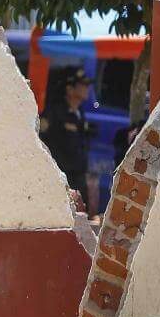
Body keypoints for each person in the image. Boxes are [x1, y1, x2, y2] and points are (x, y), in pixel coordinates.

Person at [40, 66, 96, 213]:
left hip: (78, 176)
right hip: (62, 178)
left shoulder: (79, 112)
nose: (87, 88)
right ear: (70, 89)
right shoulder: (55, 112)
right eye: (82, 85)